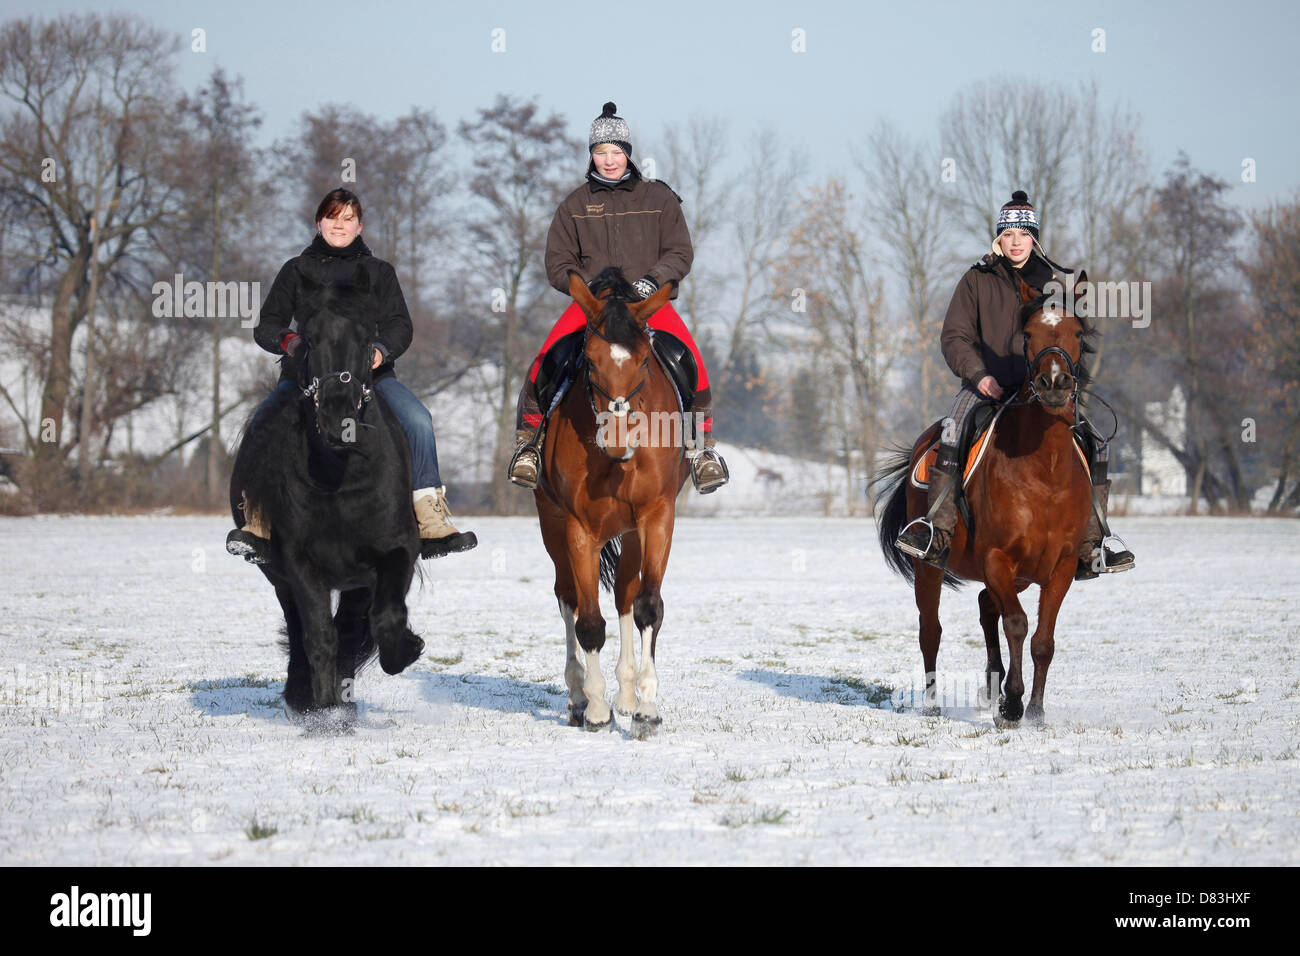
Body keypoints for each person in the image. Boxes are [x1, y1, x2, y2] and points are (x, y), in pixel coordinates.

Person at [226, 188, 476, 563]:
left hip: (371, 379)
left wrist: (379, 351)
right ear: (319, 222)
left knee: (418, 420)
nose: (339, 226)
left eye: (347, 219)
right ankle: (259, 519)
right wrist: (292, 343)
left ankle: (429, 517)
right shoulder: (296, 270)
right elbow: (268, 326)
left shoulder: (379, 273)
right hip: (306, 378)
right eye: (332, 217)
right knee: (264, 421)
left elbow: (399, 325)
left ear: (359, 226)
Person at [894, 190, 1134, 580]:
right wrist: (979, 376)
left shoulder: (1055, 285)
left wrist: (1068, 382)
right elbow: (954, 337)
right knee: (953, 430)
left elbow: (1073, 340)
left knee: (1096, 441)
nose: (1017, 240)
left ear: (1034, 240)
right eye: (1010, 234)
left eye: (1024, 233)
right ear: (999, 240)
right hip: (985, 387)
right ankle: (936, 531)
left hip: (1045, 393)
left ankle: (1094, 543)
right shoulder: (976, 279)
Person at [507, 102, 728, 494]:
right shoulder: (574, 205)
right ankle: (530, 445)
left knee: (692, 362)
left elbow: (680, 252)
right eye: (600, 152)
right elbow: (558, 261)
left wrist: (650, 284)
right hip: (592, 307)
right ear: (591, 155)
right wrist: (587, 291)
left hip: (645, 305)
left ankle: (701, 449)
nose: (608, 161)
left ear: (628, 152)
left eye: (615, 152)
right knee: (546, 359)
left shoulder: (658, 198)